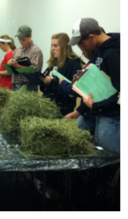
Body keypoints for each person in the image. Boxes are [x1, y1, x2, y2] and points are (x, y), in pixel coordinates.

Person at [67, 18, 120, 154]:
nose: (81, 48)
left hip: (113, 118)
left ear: (91, 37)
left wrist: (95, 106)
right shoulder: (98, 51)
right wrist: (79, 110)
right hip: (100, 113)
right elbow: (93, 85)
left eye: (80, 43)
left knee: (110, 157)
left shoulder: (115, 54)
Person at [39, 33, 82, 116]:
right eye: (51, 46)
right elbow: (44, 86)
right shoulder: (53, 62)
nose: (52, 49)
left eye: (55, 46)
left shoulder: (73, 63)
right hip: (47, 105)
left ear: (64, 47)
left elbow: (72, 91)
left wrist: (51, 82)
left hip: (63, 109)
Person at [7, 24, 43, 91]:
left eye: (23, 40)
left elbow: (35, 70)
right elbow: (11, 71)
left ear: (30, 37)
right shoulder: (17, 50)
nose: (21, 42)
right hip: (16, 83)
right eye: (19, 39)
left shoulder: (36, 51)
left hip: (29, 85)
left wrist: (18, 66)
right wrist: (10, 64)